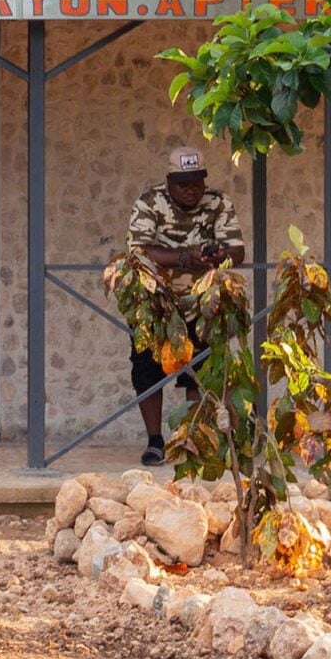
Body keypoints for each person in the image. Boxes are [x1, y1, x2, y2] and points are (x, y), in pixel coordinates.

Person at [113, 145, 245, 467]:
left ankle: (192, 438)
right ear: (169, 181)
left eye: (197, 182)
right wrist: (185, 258)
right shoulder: (149, 203)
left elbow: (237, 251)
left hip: (202, 303)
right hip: (155, 304)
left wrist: (218, 258)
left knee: (200, 372)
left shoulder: (219, 203)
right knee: (146, 370)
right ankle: (155, 441)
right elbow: (138, 252)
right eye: (183, 183)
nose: (191, 190)